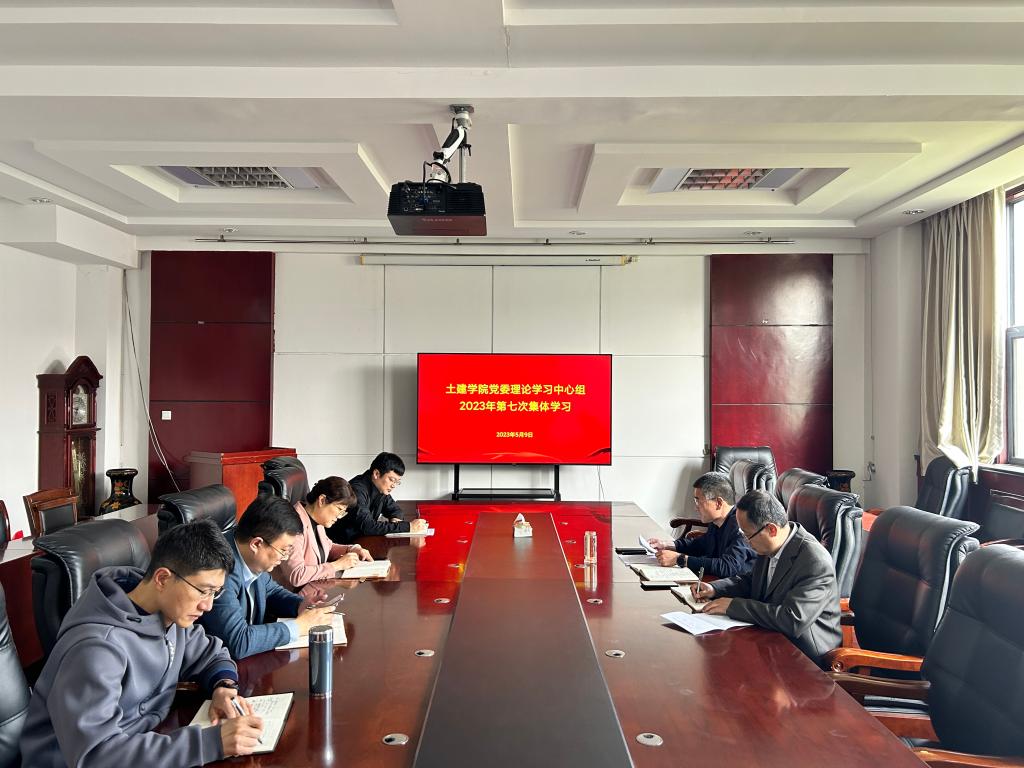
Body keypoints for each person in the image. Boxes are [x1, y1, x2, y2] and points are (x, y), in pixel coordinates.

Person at [20, 520, 265, 767]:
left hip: (144, 742)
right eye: (203, 590)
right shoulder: (95, 648)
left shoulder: (168, 612)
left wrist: (224, 686)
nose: (208, 605)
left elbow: (211, 654)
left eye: (215, 592)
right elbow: (96, 755)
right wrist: (210, 744)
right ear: (162, 578)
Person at [691, 489, 842, 666]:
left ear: (771, 529)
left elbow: (792, 620)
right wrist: (715, 588)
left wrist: (733, 606)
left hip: (805, 656)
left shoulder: (814, 561)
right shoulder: (772, 544)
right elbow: (751, 580)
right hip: (770, 638)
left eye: (747, 535)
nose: (746, 542)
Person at [199, 494, 338, 659]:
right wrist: (299, 627)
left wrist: (301, 604)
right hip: (218, 665)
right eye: (283, 550)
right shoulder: (220, 571)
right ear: (257, 544)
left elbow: (271, 591)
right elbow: (238, 641)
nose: (285, 557)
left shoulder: (247, 553)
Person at [647, 471, 756, 578]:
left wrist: (680, 559)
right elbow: (701, 544)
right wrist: (668, 544)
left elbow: (728, 567)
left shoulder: (741, 526)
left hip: (736, 586)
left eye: (698, 501)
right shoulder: (717, 521)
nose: (696, 508)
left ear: (718, 503)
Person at [277, 475, 374, 589]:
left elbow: (327, 547)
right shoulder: (293, 524)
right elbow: (297, 575)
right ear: (322, 500)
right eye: (339, 509)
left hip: (314, 589)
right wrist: (336, 565)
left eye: (343, 512)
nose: (339, 517)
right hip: (292, 595)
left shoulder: (316, 519)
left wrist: (352, 549)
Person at [327, 452, 428, 544]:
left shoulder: (380, 488)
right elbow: (368, 526)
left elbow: (395, 510)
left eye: (397, 482)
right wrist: (408, 527)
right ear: (376, 474)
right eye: (391, 480)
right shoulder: (357, 490)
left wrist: (395, 521)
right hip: (341, 544)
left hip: (361, 541)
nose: (393, 485)